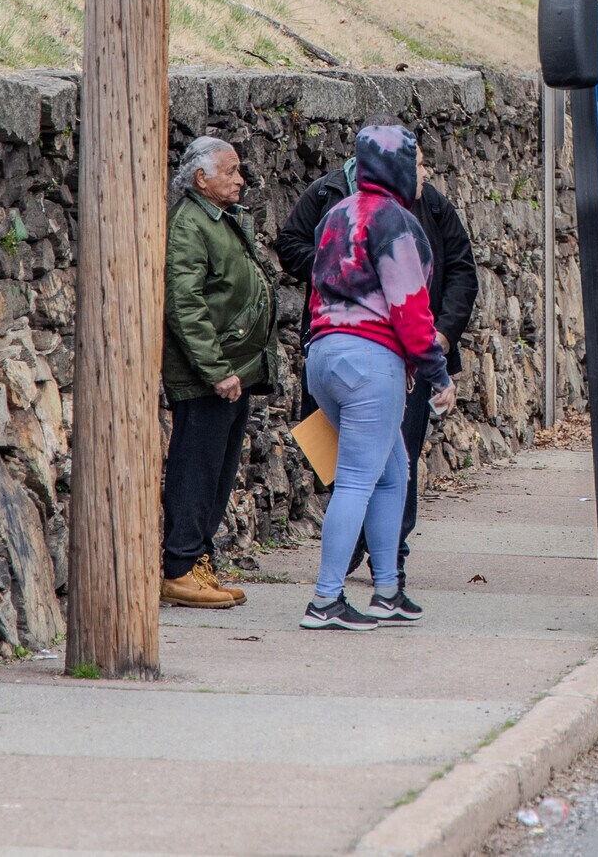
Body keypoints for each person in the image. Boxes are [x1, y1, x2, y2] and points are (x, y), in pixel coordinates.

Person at [276, 118, 477, 589]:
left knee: (391, 473)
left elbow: (319, 289)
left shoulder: (338, 213)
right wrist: (438, 370)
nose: (421, 172)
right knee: (356, 479)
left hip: (324, 354)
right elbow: (409, 308)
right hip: (372, 362)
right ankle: (328, 597)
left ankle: (387, 584)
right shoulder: (394, 222)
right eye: (414, 161)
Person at [161, 136, 275, 610]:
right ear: (202, 177)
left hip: (233, 371)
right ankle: (181, 568)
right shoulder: (189, 223)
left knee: (219, 470)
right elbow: (185, 304)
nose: (240, 178)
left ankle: (199, 561)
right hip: (212, 374)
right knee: (197, 467)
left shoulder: (217, 218)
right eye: (230, 171)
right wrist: (216, 369)